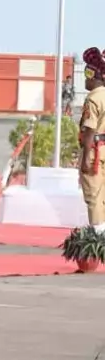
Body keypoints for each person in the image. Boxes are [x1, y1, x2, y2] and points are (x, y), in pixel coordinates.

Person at [78, 48, 105, 234]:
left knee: (93, 195)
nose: (86, 78)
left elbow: (89, 129)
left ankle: (97, 235)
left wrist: (86, 157)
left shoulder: (93, 98)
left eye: (88, 73)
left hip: (94, 151)